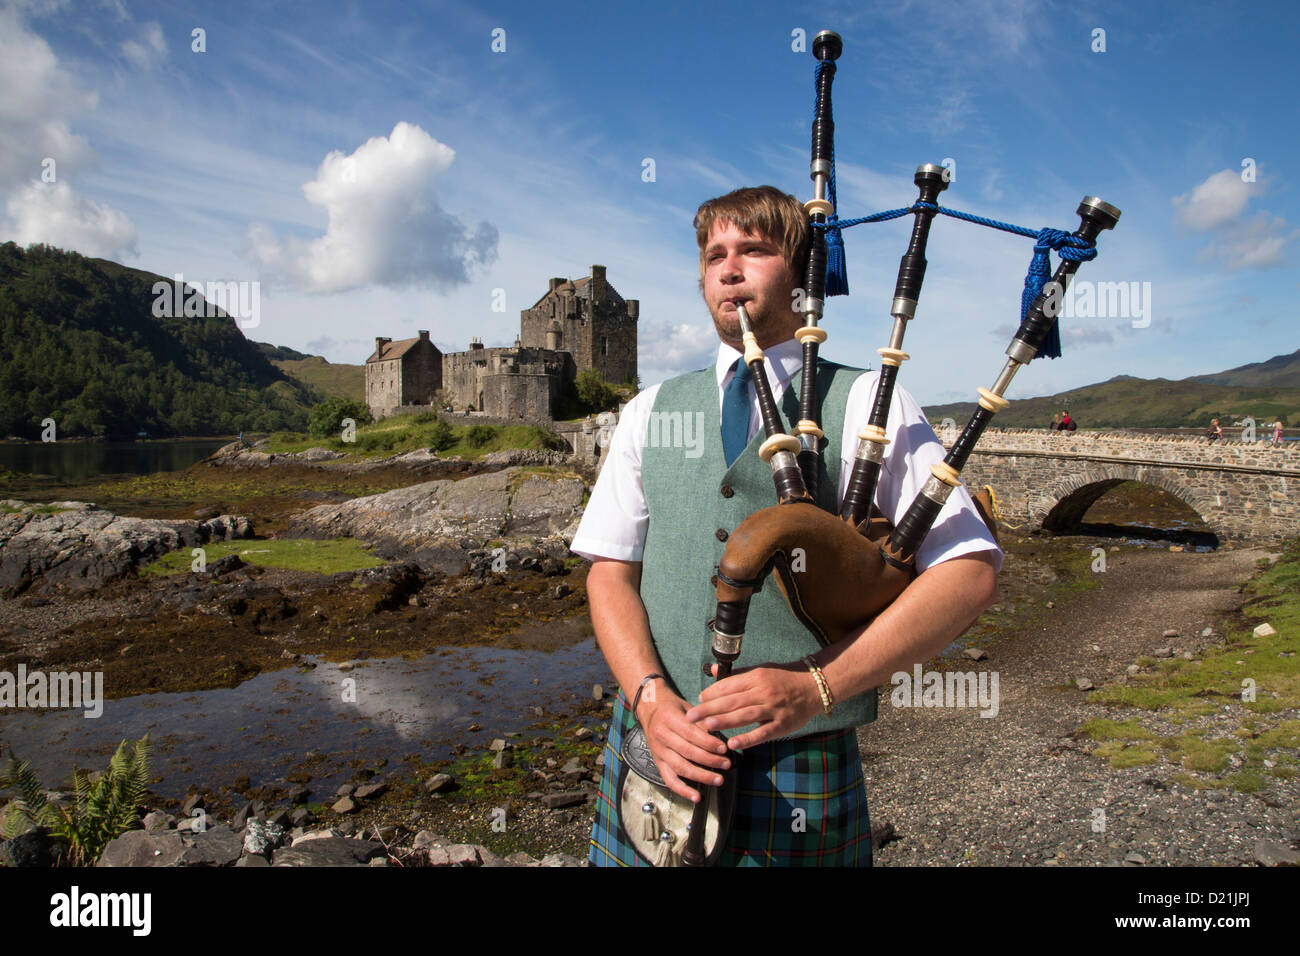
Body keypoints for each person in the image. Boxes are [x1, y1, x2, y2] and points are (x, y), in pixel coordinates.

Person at [570, 186, 1001, 867]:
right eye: (715, 255)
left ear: (801, 277)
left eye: (755, 251)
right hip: (658, 746)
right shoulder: (651, 410)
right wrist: (651, 699)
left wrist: (816, 686)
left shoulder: (865, 399)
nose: (729, 269)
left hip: (796, 766)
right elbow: (610, 570)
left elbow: (968, 571)